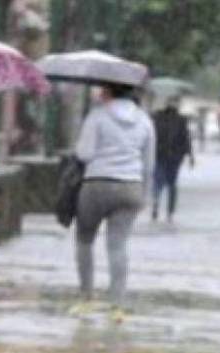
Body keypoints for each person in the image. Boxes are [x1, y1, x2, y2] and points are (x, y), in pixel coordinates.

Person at [71, 82, 155, 322]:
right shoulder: (144, 120)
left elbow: (85, 153)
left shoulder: (97, 116)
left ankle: (86, 299)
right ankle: (117, 306)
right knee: (118, 246)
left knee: (84, 240)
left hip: (96, 185)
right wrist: (145, 195)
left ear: (109, 92)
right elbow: (149, 164)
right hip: (130, 187)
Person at [151, 97, 194, 221]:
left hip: (163, 155)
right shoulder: (178, 119)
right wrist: (190, 155)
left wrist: (190, 155)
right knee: (169, 183)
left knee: (161, 181)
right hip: (171, 156)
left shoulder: (158, 117)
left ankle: (160, 204)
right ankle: (167, 210)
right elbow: (186, 138)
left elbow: (186, 138)